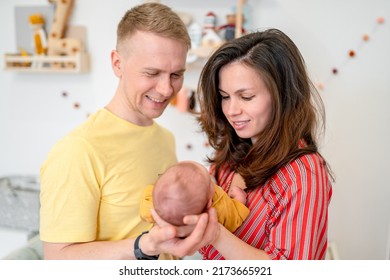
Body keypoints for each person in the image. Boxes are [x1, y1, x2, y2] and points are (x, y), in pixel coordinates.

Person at [39, 2, 219, 260]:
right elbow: (57, 260)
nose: (167, 89)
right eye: (152, 73)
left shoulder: (164, 138)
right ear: (117, 64)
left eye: (176, 74)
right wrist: (143, 247)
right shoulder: (78, 150)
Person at [195, 28, 333, 259]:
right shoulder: (229, 157)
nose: (231, 110)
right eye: (225, 96)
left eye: (246, 97)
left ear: (282, 95)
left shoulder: (304, 173)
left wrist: (214, 233)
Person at [140, 160, 249, 233]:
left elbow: (148, 201)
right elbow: (236, 218)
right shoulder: (219, 211)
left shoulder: (154, 203)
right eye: (210, 183)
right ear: (209, 203)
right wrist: (239, 198)